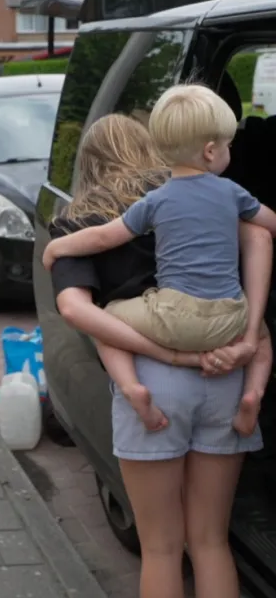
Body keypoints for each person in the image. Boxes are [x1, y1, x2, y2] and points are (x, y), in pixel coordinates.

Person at [47, 113, 272, 598]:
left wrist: (165, 356)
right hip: (226, 375)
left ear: (87, 163)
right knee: (211, 543)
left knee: (162, 550)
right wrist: (251, 334)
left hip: (152, 385)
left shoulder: (80, 221)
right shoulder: (204, 196)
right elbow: (261, 235)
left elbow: (75, 307)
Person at [44, 85, 276, 438]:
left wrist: (56, 248)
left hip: (170, 324)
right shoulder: (229, 191)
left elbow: (100, 246)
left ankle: (130, 387)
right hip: (230, 324)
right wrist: (249, 333)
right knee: (262, 336)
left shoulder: (152, 202)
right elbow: (264, 232)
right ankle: (254, 394)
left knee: (106, 318)